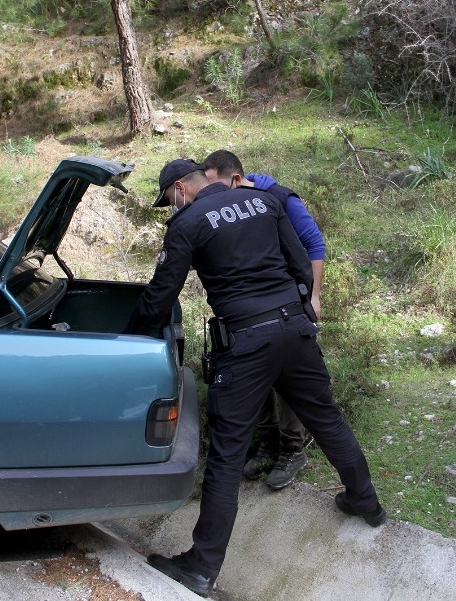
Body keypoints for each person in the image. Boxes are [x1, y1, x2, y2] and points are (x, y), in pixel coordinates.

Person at [125, 158, 385, 597]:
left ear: (181, 188)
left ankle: (201, 567)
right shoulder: (263, 201)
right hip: (295, 330)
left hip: (245, 344)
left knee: (227, 454)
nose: (170, 207)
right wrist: (301, 316)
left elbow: (162, 294)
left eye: (168, 199)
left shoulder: (187, 223)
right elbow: (300, 264)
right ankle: (366, 500)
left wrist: (128, 337)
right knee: (326, 417)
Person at [202, 149, 323, 490]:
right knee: (260, 375)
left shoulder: (280, 197)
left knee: (288, 380)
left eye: (215, 185)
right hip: (257, 307)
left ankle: (293, 449)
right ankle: (269, 441)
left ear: (235, 178)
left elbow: (314, 244)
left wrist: (313, 297)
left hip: (290, 303)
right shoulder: (235, 206)